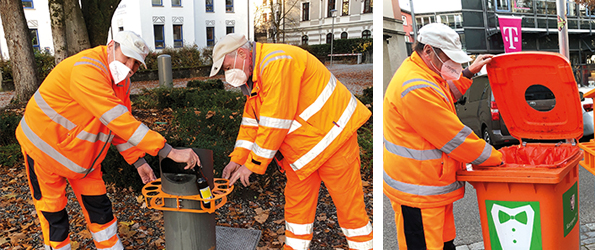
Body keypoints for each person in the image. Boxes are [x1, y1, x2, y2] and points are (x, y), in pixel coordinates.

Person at [15, 31, 200, 250]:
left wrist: (138, 161)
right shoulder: (86, 69)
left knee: (100, 210)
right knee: (54, 215)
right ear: (111, 46)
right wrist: (168, 151)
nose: (130, 67)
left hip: (85, 159)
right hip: (44, 152)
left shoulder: (121, 81)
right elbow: (117, 118)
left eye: (136, 64)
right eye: (126, 58)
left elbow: (121, 126)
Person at [208, 34, 373, 250]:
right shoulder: (257, 74)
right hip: (303, 152)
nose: (228, 75)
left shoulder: (277, 63)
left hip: (333, 142)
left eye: (228, 67)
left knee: (350, 210)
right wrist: (237, 160)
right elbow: (252, 123)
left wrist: (252, 165)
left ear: (242, 53)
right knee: (297, 209)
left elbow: (275, 122)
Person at [384, 23, 504, 250]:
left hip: (429, 186)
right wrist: (498, 158)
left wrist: (469, 73)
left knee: (444, 244)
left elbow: (444, 94)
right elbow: (455, 138)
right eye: (447, 56)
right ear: (428, 50)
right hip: (417, 193)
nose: (453, 63)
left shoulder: (425, 73)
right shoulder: (415, 86)